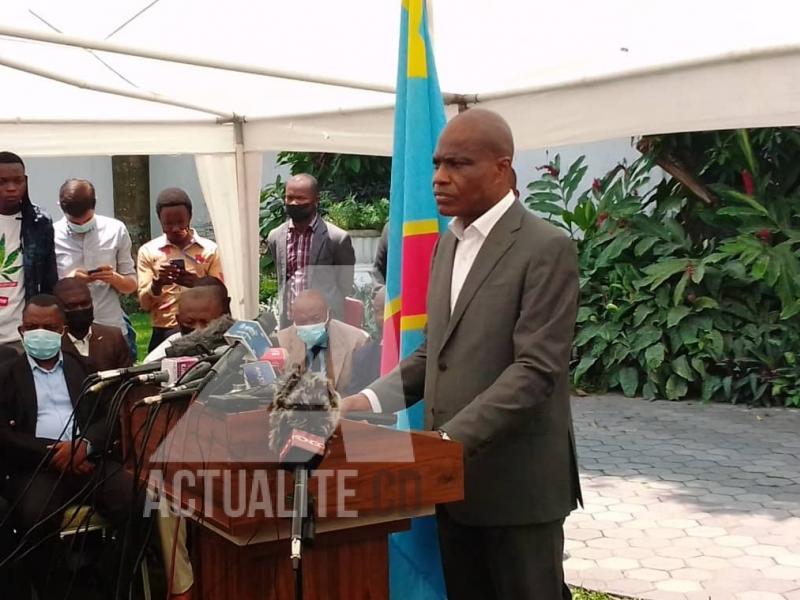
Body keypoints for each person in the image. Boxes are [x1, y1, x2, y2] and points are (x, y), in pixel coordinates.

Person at [341, 109, 582, 600]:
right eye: (435, 164)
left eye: (458, 164)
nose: (439, 179)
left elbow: (536, 370)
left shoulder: (546, 247)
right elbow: (434, 355)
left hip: (518, 488)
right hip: (451, 485)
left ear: (502, 167)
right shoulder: (447, 245)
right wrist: (361, 402)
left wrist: (447, 440)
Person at [0, 295, 144, 599]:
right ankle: (59, 590)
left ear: (63, 330)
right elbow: (5, 435)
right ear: (22, 331)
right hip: (37, 466)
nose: (40, 333)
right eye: (32, 327)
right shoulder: (7, 375)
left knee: (139, 502)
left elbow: (108, 417)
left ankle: (109, 582)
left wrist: (85, 445)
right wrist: (55, 453)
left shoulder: (83, 368)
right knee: (33, 519)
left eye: (49, 327)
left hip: (87, 458)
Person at [54, 178, 139, 359]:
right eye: (74, 223)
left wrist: (113, 277)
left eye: (85, 221)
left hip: (111, 325)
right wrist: (70, 280)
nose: (81, 227)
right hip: (68, 332)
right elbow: (45, 290)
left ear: (95, 204)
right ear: (61, 208)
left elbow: (131, 285)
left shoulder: (115, 230)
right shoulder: (51, 235)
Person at [137, 188, 223, 353]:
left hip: (203, 330)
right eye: (168, 224)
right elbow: (144, 304)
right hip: (164, 331)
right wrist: (157, 284)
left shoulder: (210, 251)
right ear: (159, 221)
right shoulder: (149, 252)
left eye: (180, 222)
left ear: (189, 217)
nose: (175, 228)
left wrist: (198, 284)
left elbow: (222, 297)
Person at [267, 174, 355, 328]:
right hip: (290, 322)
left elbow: (345, 285)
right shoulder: (276, 237)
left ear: (316, 200)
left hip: (326, 323)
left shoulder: (336, 239)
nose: (294, 203)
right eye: (289, 198)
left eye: (301, 198)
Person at [0, 151, 58, 354]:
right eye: (2, 182)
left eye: (18, 181)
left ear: (26, 182)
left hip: (23, 336)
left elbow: (50, 279)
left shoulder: (39, 222)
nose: (11, 188)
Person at [277, 289, 368, 393]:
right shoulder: (282, 342)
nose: (309, 325)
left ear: (328, 314)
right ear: (293, 319)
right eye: (302, 321)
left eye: (316, 319)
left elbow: (362, 389)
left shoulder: (356, 341)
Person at [53, 277, 132, 372]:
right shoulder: (52, 344)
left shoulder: (113, 338)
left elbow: (128, 381)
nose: (80, 309)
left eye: (85, 304)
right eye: (71, 306)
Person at [143, 283, 230, 364]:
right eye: (189, 322)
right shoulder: (157, 360)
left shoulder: (239, 347)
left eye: (206, 322)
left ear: (225, 316)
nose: (197, 329)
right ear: (178, 319)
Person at [345, 286, 385, 395]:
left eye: (388, 310)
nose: (382, 317)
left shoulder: (419, 352)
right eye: (377, 311)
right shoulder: (363, 356)